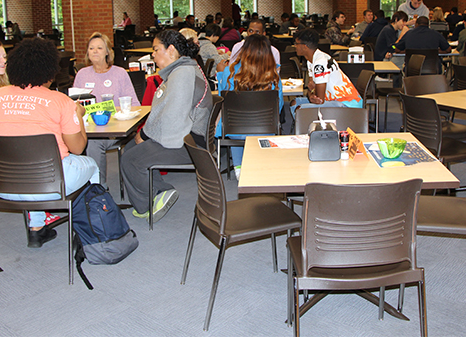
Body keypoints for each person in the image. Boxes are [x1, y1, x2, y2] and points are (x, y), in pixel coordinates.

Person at [0, 38, 100, 248]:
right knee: (91, 166)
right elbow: (78, 148)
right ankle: (91, 227)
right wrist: (78, 114)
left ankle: (37, 229)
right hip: (50, 183)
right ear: (50, 71)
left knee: (29, 161)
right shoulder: (60, 101)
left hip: (5, 182)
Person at [120, 30, 211, 222]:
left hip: (190, 144)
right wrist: (145, 135)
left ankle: (150, 202)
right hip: (187, 135)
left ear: (170, 50)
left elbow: (172, 117)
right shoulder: (182, 69)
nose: (153, 54)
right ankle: (158, 192)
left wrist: (145, 135)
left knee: (130, 159)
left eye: (156, 49)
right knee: (129, 149)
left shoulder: (183, 73)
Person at [73, 32, 139, 187]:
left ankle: (98, 188)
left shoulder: (119, 73)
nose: (94, 51)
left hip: (116, 129)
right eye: (91, 48)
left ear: (108, 52)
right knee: (90, 140)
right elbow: (74, 105)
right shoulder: (82, 74)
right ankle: (95, 186)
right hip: (89, 127)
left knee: (94, 143)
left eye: (99, 48)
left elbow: (134, 104)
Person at [216, 34, 283, 174]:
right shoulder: (273, 74)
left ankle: (238, 167)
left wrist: (219, 74)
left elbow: (223, 101)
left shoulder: (229, 71)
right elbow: (279, 104)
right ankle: (261, 164)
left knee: (235, 122)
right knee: (245, 124)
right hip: (266, 127)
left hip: (234, 129)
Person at [292, 28, 362, 116]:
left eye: (296, 44)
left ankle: (314, 128)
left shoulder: (320, 62)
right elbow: (311, 88)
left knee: (300, 110)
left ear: (304, 46)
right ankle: (311, 127)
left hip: (347, 104)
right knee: (294, 103)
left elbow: (319, 99)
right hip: (332, 100)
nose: (295, 46)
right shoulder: (311, 60)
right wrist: (312, 94)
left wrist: (312, 94)